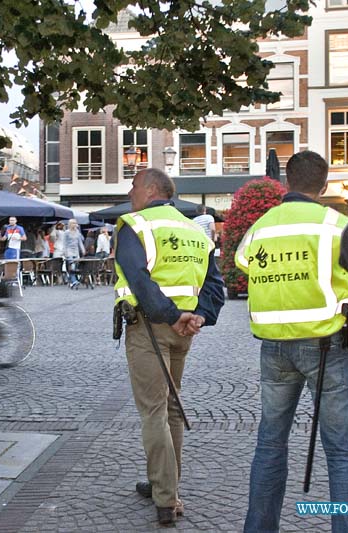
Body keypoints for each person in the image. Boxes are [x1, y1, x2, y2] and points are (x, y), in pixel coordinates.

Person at [236, 151, 348, 533]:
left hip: (274, 346)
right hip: (326, 344)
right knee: (342, 452)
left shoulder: (261, 226)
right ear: (324, 185)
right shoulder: (334, 223)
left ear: (287, 183)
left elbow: (244, 262)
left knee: (269, 444)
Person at [116, 168, 224, 525]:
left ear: (150, 190)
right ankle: (163, 480)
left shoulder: (136, 225)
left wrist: (170, 314)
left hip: (150, 326)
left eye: (133, 186)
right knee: (172, 407)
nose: (130, 193)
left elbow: (138, 279)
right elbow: (214, 286)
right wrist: (199, 317)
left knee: (154, 411)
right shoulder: (195, 230)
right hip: (184, 331)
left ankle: (165, 496)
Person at [63, 218, 85, 289]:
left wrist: (83, 250)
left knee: (74, 267)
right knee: (72, 266)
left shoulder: (77, 232)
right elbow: (64, 243)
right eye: (73, 223)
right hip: (69, 251)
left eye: (75, 223)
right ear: (70, 224)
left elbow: (80, 242)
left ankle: (71, 281)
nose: (75, 224)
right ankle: (74, 281)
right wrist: (65, 252)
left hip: (76, 252)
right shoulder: (66, 232)